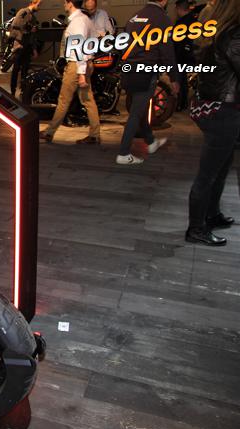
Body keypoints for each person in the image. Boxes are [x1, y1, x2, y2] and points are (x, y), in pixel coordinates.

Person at [186, 0, 240, 246]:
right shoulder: (232, 35)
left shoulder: (215, 32)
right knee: (208, 174)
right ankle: (196, 229)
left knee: (219, 168)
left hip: (211, 106)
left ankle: (212, 214)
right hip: (223, 110)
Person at [116, 0, 179, 164]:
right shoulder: (161, 18)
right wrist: (174, 78)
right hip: (146, 71)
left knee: (140, 108)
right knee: (136, 113)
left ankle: (150, 142)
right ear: (163, 1)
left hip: (129, 69)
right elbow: (167, 51)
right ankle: (123, 153)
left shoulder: (135, 17)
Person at [40, 0, 100, 145]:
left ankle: (49, 132)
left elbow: (79, 49)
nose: (64, 4)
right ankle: (94, 135)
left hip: (76, 65)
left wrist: (81, 73)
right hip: (84, 64)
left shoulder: (78, 22)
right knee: (88, 100)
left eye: (65, 2)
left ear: (70, 3)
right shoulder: (85, 19)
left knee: (64, 100)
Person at [9, 0, 41, 96]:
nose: (39, 7)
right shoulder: (23, 12)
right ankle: (13, 91)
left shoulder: (33, 16)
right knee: (16, 69)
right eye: (38, 4)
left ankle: (23, 90)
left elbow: (32, 35)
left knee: (25, 70)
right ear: (33, 3)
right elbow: (15, 25)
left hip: (27, 46)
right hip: (20, 45)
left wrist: (34, 49)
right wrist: (29, 29)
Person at [174, 0, 197, 110]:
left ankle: (180, 103)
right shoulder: (194, 20)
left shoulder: (181, 23)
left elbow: (178, 43)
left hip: (182, 56)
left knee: (180, 81)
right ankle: (183, 103)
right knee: (184, 81)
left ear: (179, 8)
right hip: (191, 55)